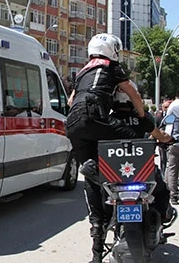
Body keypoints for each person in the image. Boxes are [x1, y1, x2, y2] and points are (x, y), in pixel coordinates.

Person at [65, 33, 145, 263]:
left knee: (90, 174)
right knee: (131, 140)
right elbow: (133, 93)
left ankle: (97, 243)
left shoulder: (82, 72)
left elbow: (71, 101)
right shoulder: (111, 67)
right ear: (112, 50)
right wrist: (142, 117)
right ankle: (115, 187)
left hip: (73, 124)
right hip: (94, 118)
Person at [110, 82, 175, 224]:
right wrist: (169, 138)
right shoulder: (142, 118)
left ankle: (98, 229)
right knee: (162, 189)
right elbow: (160, 136)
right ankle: (162, 217)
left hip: (113, 174)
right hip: (141, 171)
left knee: (99, 193)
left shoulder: (107, 120)